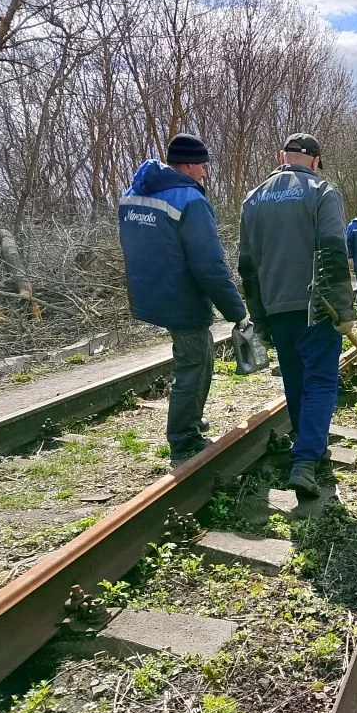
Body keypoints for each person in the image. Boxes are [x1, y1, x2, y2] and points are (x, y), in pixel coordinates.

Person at [118, 133, 248, 466]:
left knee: (200, 356)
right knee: (194, 363)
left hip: (149, 291)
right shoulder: (189, 200)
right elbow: (209, 264)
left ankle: (192, 419)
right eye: (202, 165)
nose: (205, 172)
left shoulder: (133, 194)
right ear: (189, 165)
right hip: (181, 295)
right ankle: (183, 439)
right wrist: (236, 311)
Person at [238, 133, 356, 498]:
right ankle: (305, 460)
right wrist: (344, 309)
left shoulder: (252, 199)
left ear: (282, 157)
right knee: (320, 381)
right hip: (317, 307)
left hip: (275, 308)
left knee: (294, 379)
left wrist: (259, 318)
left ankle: (310, 445)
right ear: (316, 161)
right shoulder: (322, 192)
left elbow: (247, 267)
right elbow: (334, 252)